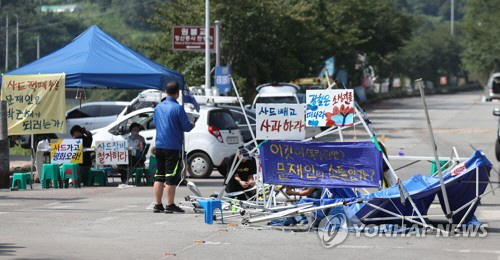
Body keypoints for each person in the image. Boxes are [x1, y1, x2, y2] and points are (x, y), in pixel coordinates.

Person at [152, 81, 194, 213]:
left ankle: (157, 204)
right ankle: (170, 205)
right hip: (172, 147)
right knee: (170, 176)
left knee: (159, 175)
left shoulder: (158, 107)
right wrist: (192, 124)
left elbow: (155, 123)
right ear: (177, 93)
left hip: (159, 145)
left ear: (166, 92)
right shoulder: (178, 108)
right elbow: (186, 127)